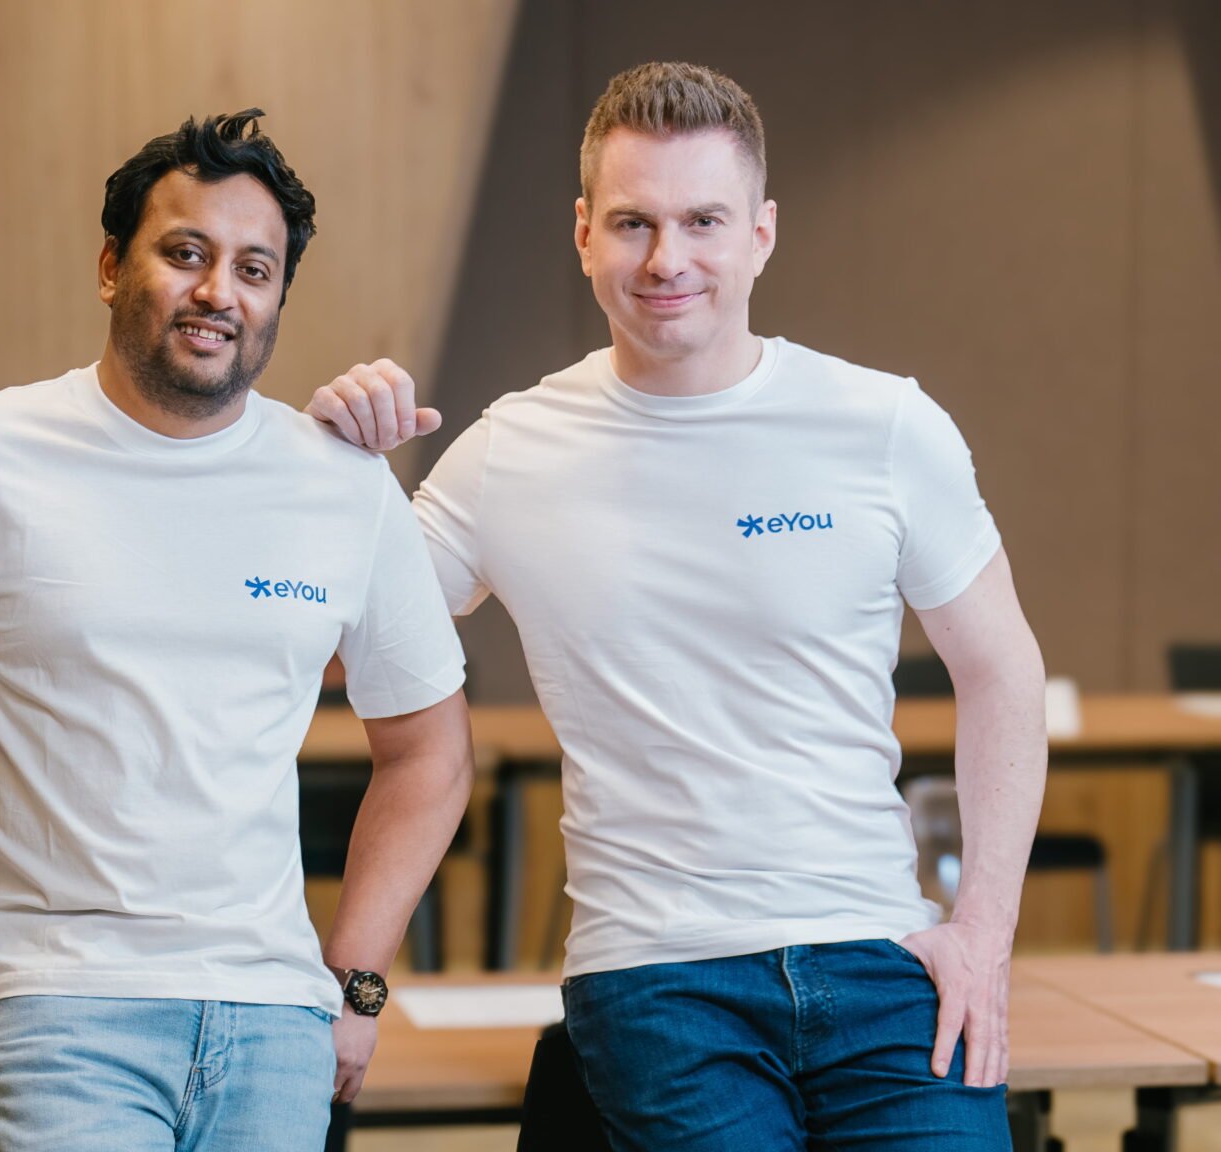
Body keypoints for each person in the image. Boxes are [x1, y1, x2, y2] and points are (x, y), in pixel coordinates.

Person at [307, 62, 1046, 1149]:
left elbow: (1002, 672)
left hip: (883, 958)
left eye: (703, 220)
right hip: (658, 978)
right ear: (583, 234)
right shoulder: (512, 453)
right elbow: (323, 645)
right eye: (633, 223)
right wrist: (336, 476)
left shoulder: (884, 426)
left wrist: (981, 930)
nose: (668, 260)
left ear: (761, 233)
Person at [0, 109, 473, 1151]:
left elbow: (431, 752)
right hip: (54, 1008)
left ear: (277, 299)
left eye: (254, 269)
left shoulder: (343, 484)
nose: (219, 292)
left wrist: (354, 985)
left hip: (270, 1018)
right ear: (112, 266)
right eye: (185, 253)